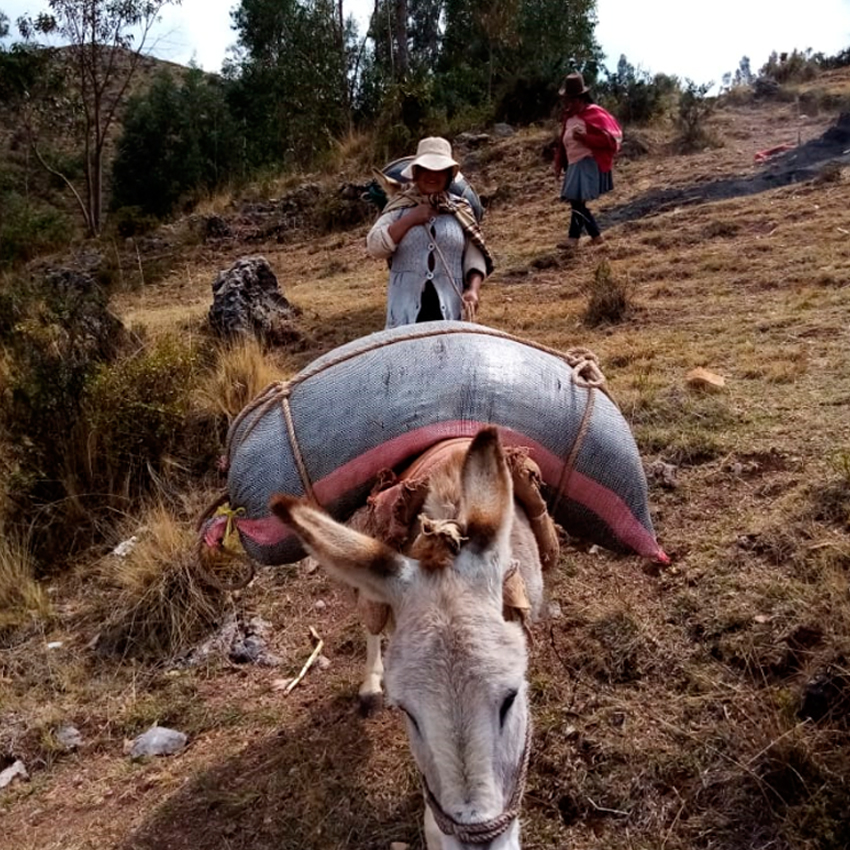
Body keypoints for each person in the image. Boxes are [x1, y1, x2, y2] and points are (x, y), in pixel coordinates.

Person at [367, 137, 493, 329]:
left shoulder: (460, 208)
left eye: (440, 170)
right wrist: (410, 219)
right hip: (405, 313)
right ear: (416, 173)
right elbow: (375, 246)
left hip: (449, 313)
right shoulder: (400, 206)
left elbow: (474, 255)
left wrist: (473, 290)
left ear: (449, 175)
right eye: (426, 169)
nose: (433, 175)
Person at [552, 72, 623, 250]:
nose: (569, 104)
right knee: (577, 201)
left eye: (573, 100)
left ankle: (574, 238)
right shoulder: (568, 118)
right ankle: (595, 236)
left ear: (581, 98)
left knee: (576, 201)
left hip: (587, 162)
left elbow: (609, 141)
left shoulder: (594, 114)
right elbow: (563, 143)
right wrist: (559, 163)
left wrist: (585, 138)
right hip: (574, 164)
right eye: (567, 100)